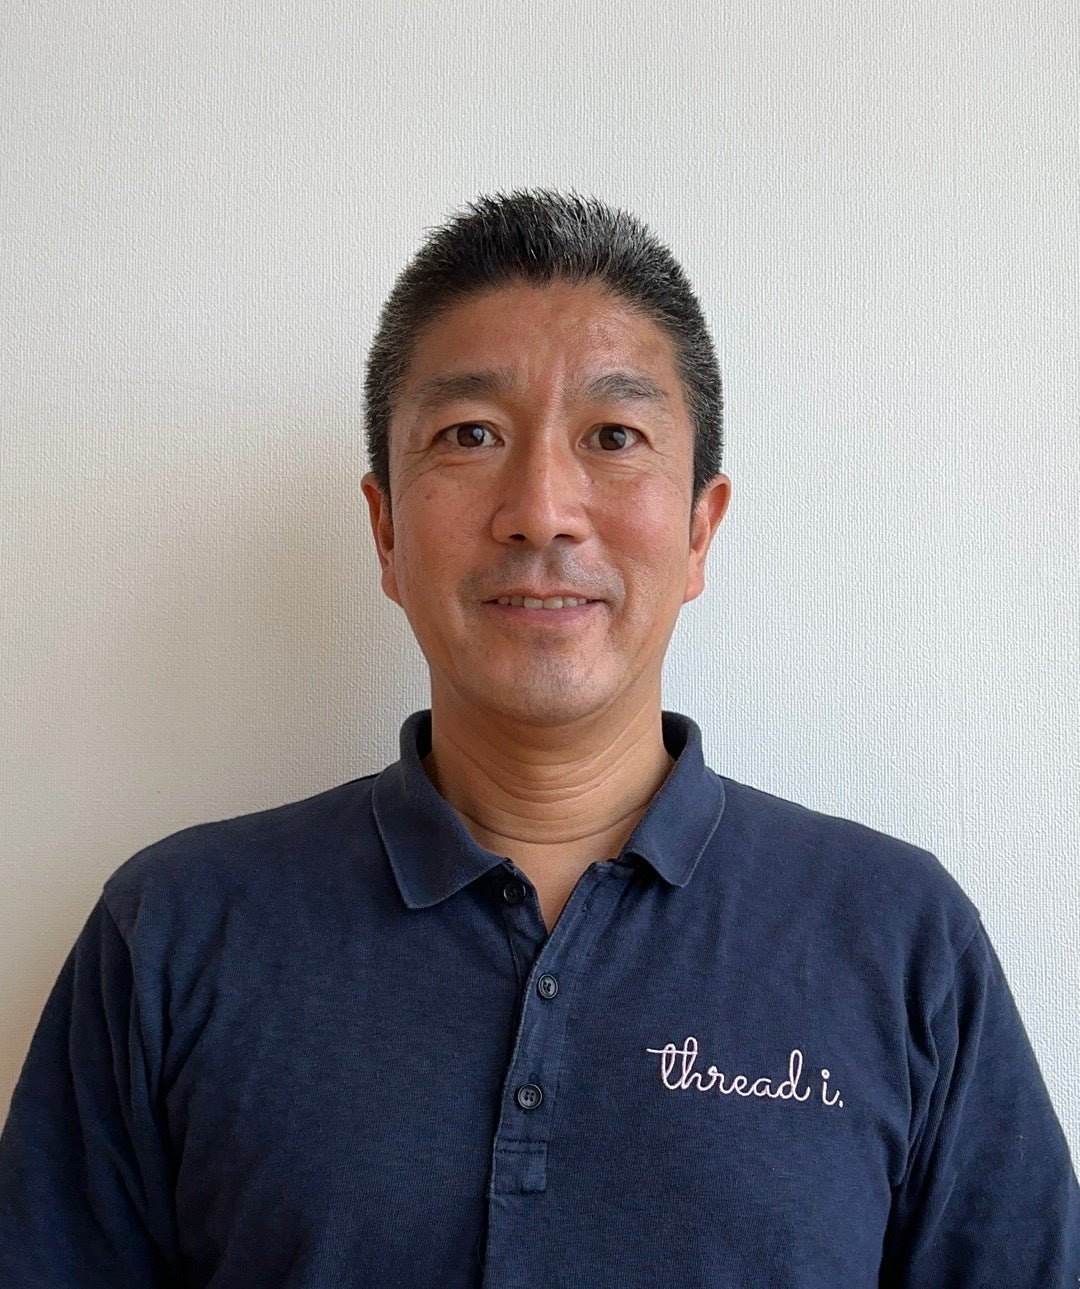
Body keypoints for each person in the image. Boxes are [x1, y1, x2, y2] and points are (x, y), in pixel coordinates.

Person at [1, 189, 1077, 1287]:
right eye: (470, 434)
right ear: (385, 527)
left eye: (614, 436)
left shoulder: (898, 938)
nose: (543, 508)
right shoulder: (175, 930)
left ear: (700, 529)